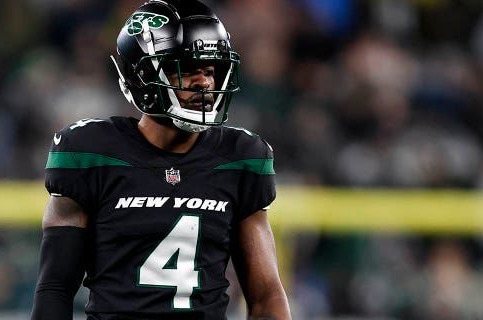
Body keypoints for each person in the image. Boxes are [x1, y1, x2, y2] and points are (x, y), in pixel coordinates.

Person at [31, 0, 292, 319]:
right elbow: (55, 289)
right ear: (141, 77)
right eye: (188, 70)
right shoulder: (90, 153)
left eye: (210, 70)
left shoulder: (240, 158)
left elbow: (266, 297)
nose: (204, 83)